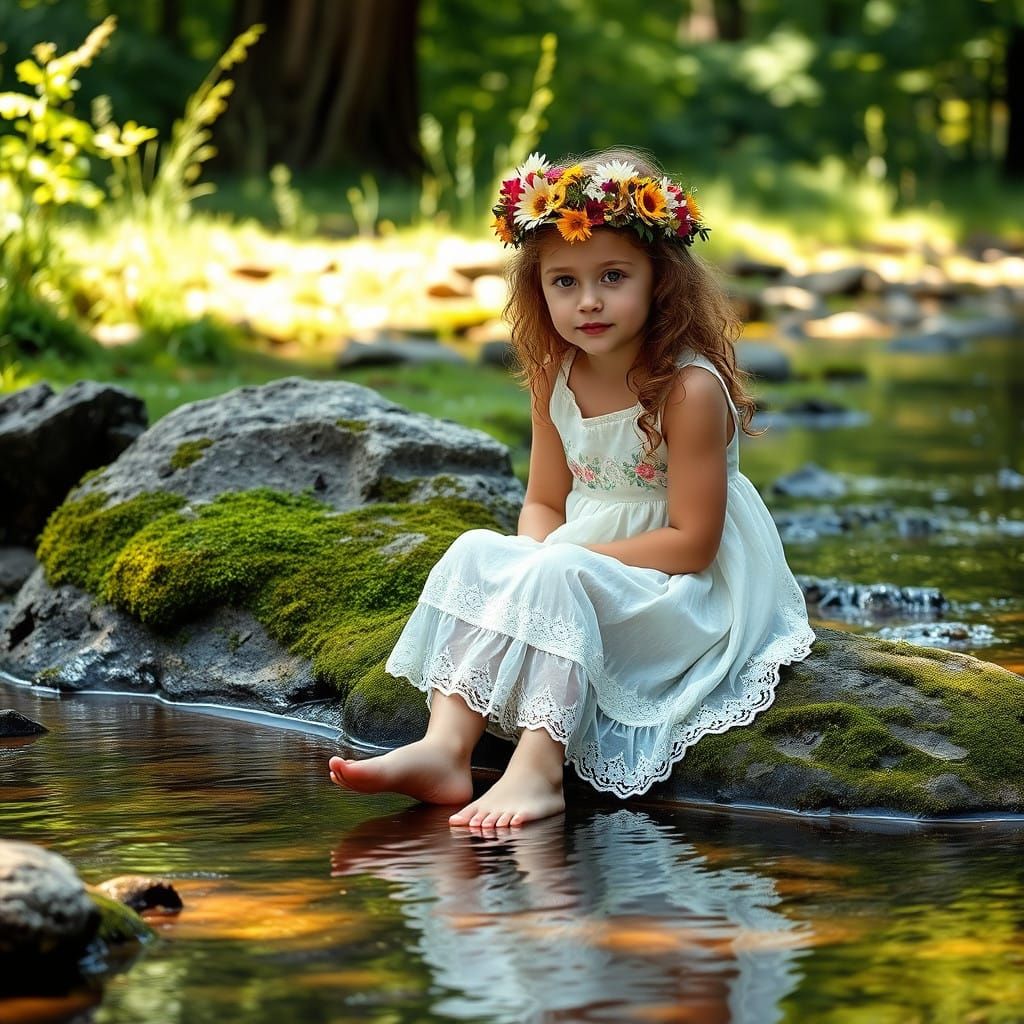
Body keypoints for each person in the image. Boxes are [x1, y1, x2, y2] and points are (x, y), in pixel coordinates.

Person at [328, 146, 815, 828]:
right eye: (564, 282)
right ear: (538, 290)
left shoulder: (688, 388)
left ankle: (538, 769)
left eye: (612, 276)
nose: (588, 301)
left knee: (555, 571)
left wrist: (562, 561)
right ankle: (445, 748)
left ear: (660, 281)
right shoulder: (553, 379)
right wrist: (535, 555)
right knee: (476, 549)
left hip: (687, 585)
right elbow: (544, 503)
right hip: (582, 558)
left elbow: (695, 543)